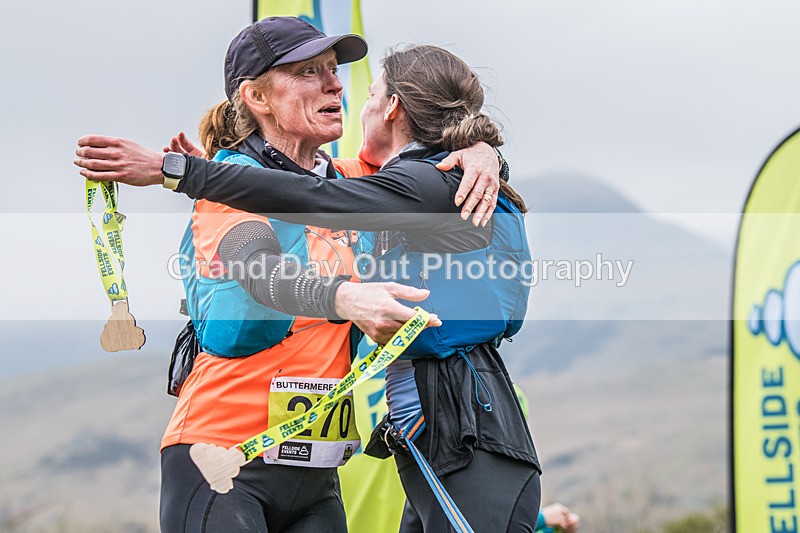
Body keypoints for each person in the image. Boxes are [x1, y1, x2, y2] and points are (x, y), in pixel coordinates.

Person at [75, 42, 539, 533]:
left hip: (316, 477)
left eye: (335, 72)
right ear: (257, 96)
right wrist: (344, 297)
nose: (337, 84)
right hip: (222, 452)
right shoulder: (239, 184)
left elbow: (419, 167)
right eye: (309, 73)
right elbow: (255, 267)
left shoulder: (357, 182)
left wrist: (482, 151)